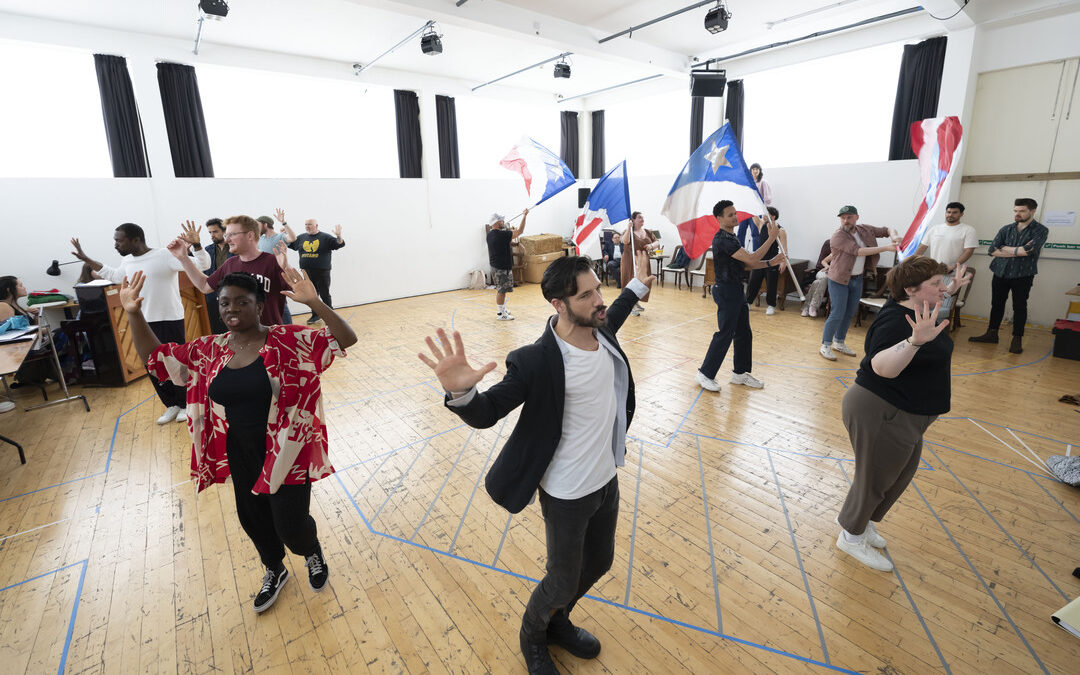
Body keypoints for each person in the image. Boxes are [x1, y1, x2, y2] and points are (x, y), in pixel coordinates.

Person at [419, 253, 655, 674]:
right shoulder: (535, 360)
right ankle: (533, 634)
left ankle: (557, 621)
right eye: (587, 295)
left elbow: (614, 312)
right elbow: (488, 412)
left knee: (599, 563)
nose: (600, 300)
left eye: (598, 288)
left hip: (606, 480)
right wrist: (461, 394)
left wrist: (636, 285)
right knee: (562, 578)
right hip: (567, 493)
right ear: (559, 305)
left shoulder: (601, 330)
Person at [119, 268, 357, 612]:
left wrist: (316, 303)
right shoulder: (210, 349)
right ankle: (274, 569)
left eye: (242, 302)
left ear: (259, 306)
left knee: (290, 525)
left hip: (287, 449)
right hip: (239, 449)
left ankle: (310, 551)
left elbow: (343, 340)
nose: (231, 309)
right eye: (225, 302)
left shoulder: (289, 339)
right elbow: (159, 358)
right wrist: (134, 313)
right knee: (254, 519)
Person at [835, 256, 970, 571]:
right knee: (874, 477)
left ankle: (863, 523)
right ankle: (850, 536)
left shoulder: (918, 308)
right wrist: (913, 342)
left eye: (942, 284)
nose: (943, 290)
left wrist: (950, 287)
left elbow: (934, 292)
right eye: (936, 285)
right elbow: (881, 367)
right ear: (911, 290)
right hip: (880, 409)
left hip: (906, 411)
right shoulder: (898, 321)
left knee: (898, 475)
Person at [70, 222, 210, 424]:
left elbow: (202, 265)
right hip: (143, 322)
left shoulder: (163, 255)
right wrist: (86, 259)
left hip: (169, 318)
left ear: (136, 239)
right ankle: (170, 403)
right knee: (152, 366)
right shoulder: (127, 262)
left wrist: (197, 246)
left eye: (119, 240)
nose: (116, 245)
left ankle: (186, 403)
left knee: (176, 364)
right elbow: (113, 275)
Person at [695, 200, 785, 393]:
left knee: (744, 332)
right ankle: (705, 374)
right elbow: (751, 258)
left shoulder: (732, 238)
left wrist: (771, 262)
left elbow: (748, 265)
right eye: (730, 215)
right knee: (725, 333)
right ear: (719, 218)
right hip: (726, 291)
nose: (735, 217)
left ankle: (740, 373)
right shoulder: (722, 239)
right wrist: (771, 238)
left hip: (736, 289)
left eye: (735, 213)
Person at [170, 215, 291, 327]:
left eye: (232, 234)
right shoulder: (230, 264)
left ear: (250, 235)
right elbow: (204, 286)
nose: (227, 240)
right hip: (240, 338)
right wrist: (183, 258)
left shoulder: (272, 262)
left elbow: (299, 292)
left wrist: (287, 269)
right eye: (226, 235)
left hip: (270, 336)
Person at [969, 198, 1049, 354]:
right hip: (1000, 272)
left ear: (1032, 211)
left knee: (1019, 306)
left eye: (1022, 211)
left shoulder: (1040, 230)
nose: (1017, 214)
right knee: (996, 304)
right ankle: (992, 333)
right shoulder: (1006, 229)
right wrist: (1017, 251)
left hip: (1023, 275)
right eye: (1015, 211)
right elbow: (992, 250)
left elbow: (1028, 250)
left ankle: (1017, 338)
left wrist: (1005, 248)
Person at [820, 206, 899, 361]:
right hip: (838, 279)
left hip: (856, 278)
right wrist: (886, 248)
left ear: (856, 217)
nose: (845, 221)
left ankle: (839, 342)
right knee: (837, 313)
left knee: (849, 312)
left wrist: (894, 236)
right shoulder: (838, 236)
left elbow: (887, 229)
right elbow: (858, 251)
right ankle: (825, 345)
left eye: (849, 217)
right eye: (842, 218)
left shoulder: (864, 230)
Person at [914, 202, 978, 316]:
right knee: (926, 299)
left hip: (952, 273)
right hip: (932, 272)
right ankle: (922, 322)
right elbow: (922, 247)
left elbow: (969, 251)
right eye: (948, 212)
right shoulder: (935, 229)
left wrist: (953, 266)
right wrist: (911, 262)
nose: (950, 215)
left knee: (944, 301)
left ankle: (940, 326)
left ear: (961, 214)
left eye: (954, 212)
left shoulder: (968, 230)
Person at [287, 218, 346, 325]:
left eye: (309, 224)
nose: (307, 226)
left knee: (324, 294)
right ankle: (315, 316)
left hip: (322, 271)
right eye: (306, 224)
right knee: (312, 295)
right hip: (306, 272)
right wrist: (285, 235)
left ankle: (331, 316)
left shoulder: (325, 237)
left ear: (316, 225)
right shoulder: (301, 237)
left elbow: (339, 244)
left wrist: (339, 236)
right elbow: (290, 244)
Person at [743, 207, 788, 315]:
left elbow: (784, 249)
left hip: (773, 260)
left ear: (772, 216)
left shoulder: (780, 231)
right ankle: (747, 303)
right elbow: (752, 213)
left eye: (766, 214)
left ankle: (771, 305)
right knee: (753, 282)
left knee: (771, 284)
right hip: (759, 260)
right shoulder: (761, 224)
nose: (763, 216)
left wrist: (783, 262)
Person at [486, 210, 527, 321]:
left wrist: (508, 231)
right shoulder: (502, 235)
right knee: (502, 291)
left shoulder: (490, 234)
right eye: (501, 221)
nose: (503, 222)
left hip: (496, 265)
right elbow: (520, 231)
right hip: (501, 267)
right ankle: (501, 314)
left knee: (501, 290)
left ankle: (502, 309)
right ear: (496, 222)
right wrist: (524, 216)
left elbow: (506, 238)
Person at [259, 210, 297, 324]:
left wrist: (284, 222)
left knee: (281, 302)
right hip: (265, 275)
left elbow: (293, 237)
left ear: (265, 224)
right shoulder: (260, 239)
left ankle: (288, 329)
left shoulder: (281, 236)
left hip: (279, 275)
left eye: (258, 225)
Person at [621, 211, 659, 315]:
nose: (642, 219)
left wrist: (651, 246)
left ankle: (635, 301)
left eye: (643, 217)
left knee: (642, 282)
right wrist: (629, 228)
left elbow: (657, 242)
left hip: (643, 260)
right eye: (639, 217)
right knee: (631, 281)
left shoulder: (647, 231)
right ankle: (630, 305)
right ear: (633, 220)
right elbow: (624, 241)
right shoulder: (628, 231)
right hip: (630, 260)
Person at [203, 218, 233, 334]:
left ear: (224, 231)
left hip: (231, 294)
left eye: (215, 232)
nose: (212, 235)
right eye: (210, 232)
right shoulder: (207, 250)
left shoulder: (234, 248)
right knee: (216, 329)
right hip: (212, 296)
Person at [801, 240, 832, 318]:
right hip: (823, 272)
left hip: (834, 276)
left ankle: (806, 307)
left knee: (816, 283)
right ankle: (814, 306)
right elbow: (823, 261)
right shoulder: (836, 251)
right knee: (824, 278)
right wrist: (827, 267)